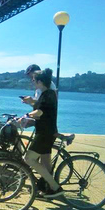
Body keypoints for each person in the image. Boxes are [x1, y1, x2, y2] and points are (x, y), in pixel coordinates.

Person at [24, 68, 64, 198]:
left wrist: (24, 116)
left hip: (44, 133)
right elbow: (40, 110)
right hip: (46, 131)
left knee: (28, 158)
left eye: (34, 80)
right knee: (44, 160)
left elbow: (40, 112)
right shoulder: (46, 93)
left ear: (40, 82)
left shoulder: (48, 95)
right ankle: (48, 186)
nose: (33, 82)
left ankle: (54, 187)